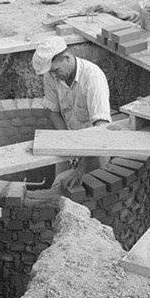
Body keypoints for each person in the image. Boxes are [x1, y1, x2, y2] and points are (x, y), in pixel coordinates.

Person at [32, 36, 112, 191]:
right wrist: (69, 145)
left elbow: (101, 129)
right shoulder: (51, 76)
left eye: (56, 71)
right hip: (69, 141)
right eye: (50, 72)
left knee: (89, 191)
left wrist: (80, 169)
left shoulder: (93, 77)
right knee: (59, 186)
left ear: (67, 58)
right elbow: (53, 112)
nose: (53, 76)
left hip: (94, 148)